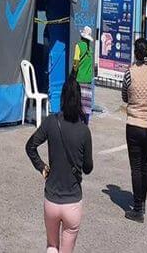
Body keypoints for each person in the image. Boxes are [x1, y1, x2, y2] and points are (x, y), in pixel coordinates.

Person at [25, 77, 93, 253]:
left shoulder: (51, 122)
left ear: (62, 98)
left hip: (52, 200)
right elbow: (88, 167)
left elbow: (30, 146)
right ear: (79, 100)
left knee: (51, 245)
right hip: (72, 202)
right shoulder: (84, 131)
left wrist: (41, 166)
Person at [121, 37, 147, 223]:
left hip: (134, 123)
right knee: (146, 165)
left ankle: (137, 209)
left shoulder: (129, 73)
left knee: (135, 167)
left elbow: (124, 96)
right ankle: (142, 201)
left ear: (135, 53)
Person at [73, 26, 95, 124]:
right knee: (86, 104)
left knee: (78, 103)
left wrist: (74, 71)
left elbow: (76, 62)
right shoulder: (90, 49)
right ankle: (85, 124)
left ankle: (77, 123)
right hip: (88, 80)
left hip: (79, 78)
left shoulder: (78, 46)